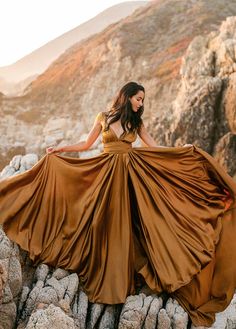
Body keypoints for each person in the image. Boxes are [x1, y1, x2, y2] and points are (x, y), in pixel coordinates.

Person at [0, 81, 235, 328]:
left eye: (142, 100)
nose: (141, 103)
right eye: (139, 98)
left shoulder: (137, 122)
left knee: (131, 225)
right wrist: (61, 149)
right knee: (101, 222)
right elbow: (87, 145)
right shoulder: (103, 117)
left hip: (130, 177)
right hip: (105, 174)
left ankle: (128, 276)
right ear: (127, 96)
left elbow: (154, 146)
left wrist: (182, 150)